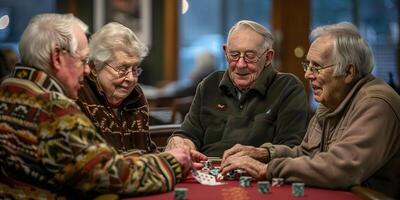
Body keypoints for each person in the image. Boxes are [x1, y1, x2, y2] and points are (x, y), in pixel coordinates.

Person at [0, 13, 205, 199]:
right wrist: (170, 163)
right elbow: (107, 174)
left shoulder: (9, 91)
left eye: (135, 69)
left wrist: (168, 154)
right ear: (57, 57)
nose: (87, 70)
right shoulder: (54, 109)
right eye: (82, 60)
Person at [220, 22, 400, 198]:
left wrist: (267, 169)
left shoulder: (376, 103)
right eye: (308, 65)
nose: (307, 74)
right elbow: (306, 154)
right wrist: (264, 153)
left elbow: (341, 168)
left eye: (317, 67)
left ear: (348, 72)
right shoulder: (331, 101)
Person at [165, 20, 309, 157]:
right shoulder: (210, 84)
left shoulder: (288, 88)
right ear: (225, 51)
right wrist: (180, 141)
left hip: (257, 175)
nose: (240, 64)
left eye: (250, 56)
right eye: (234, 55)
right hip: (206, 173)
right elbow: (189, 134)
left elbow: (292, 149)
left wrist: (260, 154)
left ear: (268, 57)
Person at [77, 22, 156, 153]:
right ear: (94, 67)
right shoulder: (80, 95)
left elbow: (147, 150)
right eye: (122, 68)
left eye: (135, 69)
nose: (131, 79)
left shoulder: (137, 96)